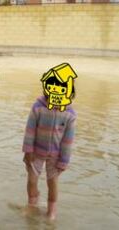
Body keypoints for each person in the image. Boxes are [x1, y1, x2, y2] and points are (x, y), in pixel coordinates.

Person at [23, 63, 77, 220]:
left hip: (55, 155)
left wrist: (64, 161)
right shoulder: (38, 107)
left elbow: (68, 140)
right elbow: (30, 129)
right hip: (36, 152)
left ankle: (51, 210)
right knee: (32, 180)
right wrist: (28, 150)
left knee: (52, 183)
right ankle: (32, 204)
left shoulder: (70, 114)